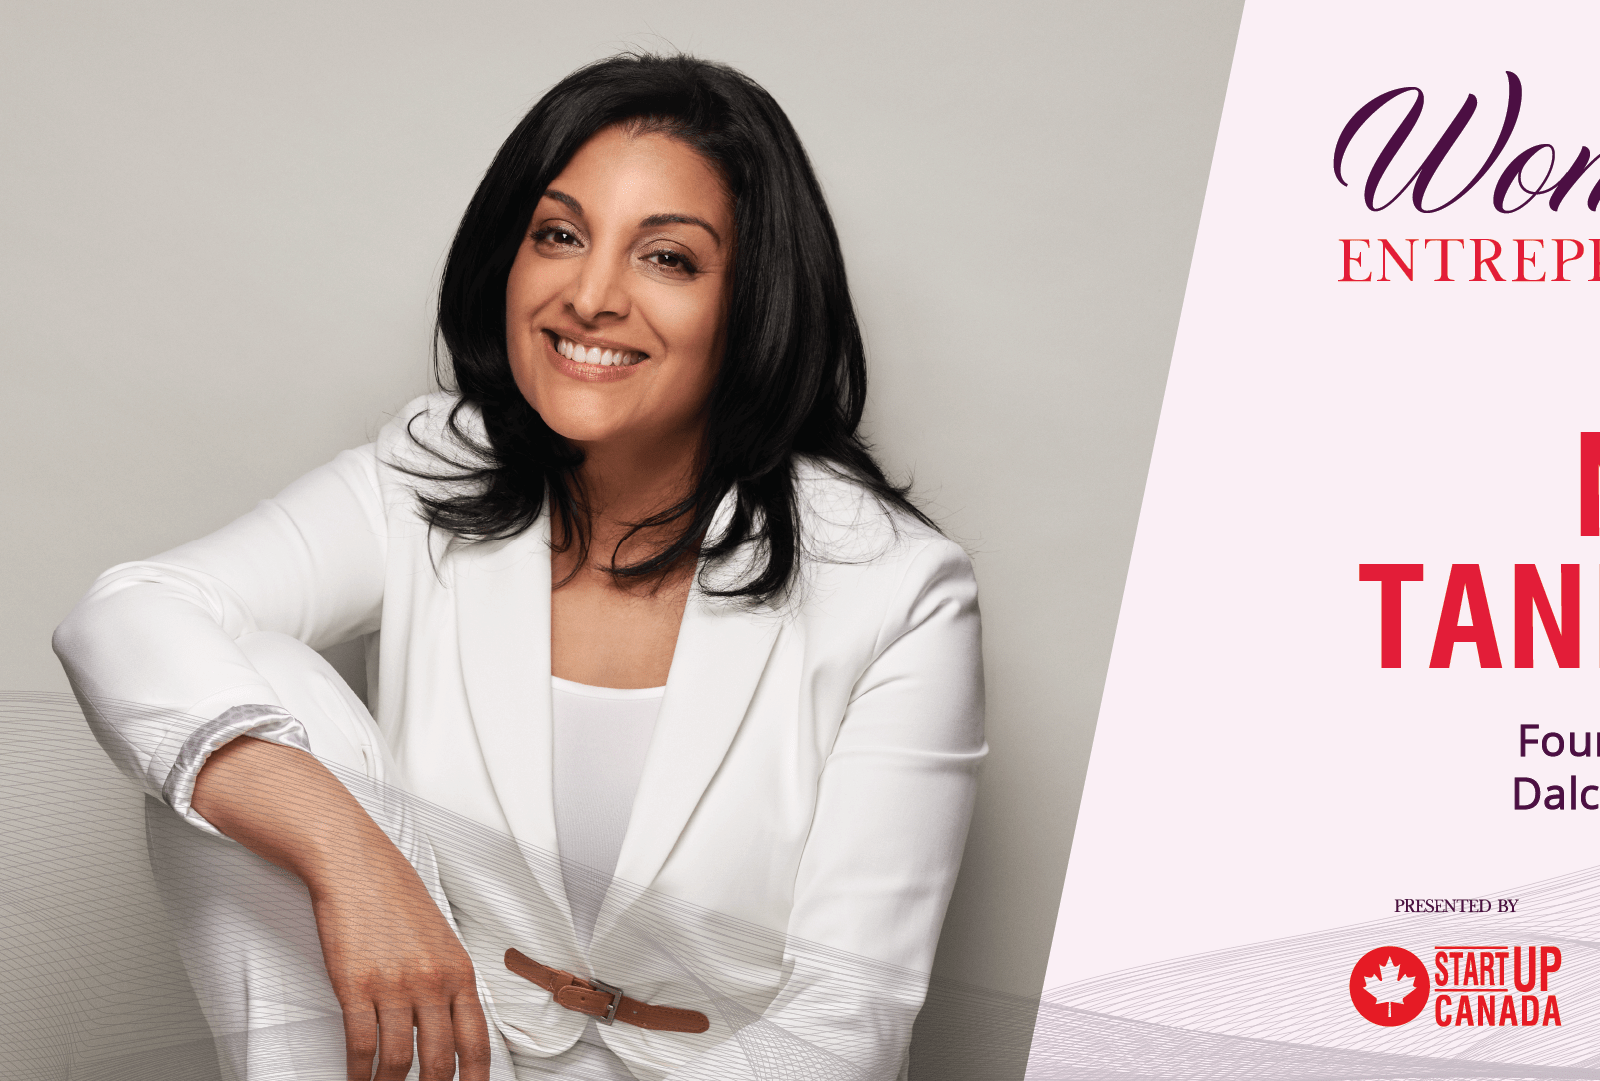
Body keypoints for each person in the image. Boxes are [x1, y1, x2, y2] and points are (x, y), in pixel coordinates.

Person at [53, 53, 984, 1081]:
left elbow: (849, 1019)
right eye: (559, 236)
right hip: (451, 1057)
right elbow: (127, 614)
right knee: (245, 711)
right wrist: (350, 858)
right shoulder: (430, 470)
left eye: (666, 258)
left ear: (752, 300)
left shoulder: (896, 587)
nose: (590, 296)